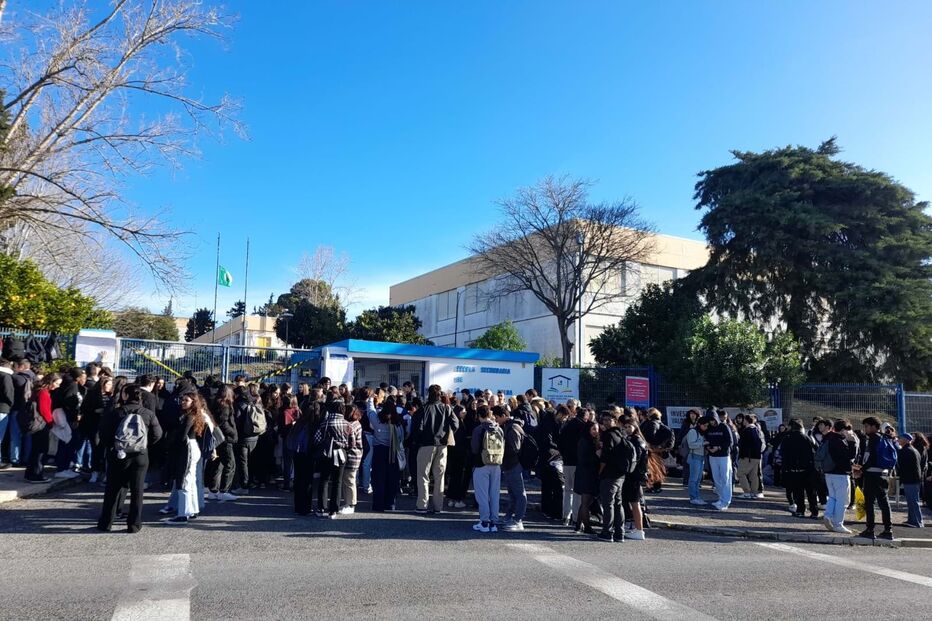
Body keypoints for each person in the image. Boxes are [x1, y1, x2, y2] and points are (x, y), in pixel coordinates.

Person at [97, 384, 163, 533]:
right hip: (140, 455)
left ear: (125, 395)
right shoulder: (148, 413)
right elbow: (157, 434)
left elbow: (103, 433)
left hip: (118, 454)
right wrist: (144, 444)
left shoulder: (116, 413)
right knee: (137, 491)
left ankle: (106, 523)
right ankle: (134, 524)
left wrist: (113, 446)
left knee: (113, 490)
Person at [162, 388, 208, 525]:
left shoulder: (189, 417)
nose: (183, 402)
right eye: (182, 400)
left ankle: (183, 514)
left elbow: (182, 436)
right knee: (190, 480)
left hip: (187, 448)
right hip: (192, 447)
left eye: (186, 400)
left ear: (193, 402)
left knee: (184, 481)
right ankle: (192, 510)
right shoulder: (195, 415)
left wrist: (172, 441)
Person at [412, 384, 459, 514]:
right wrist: (446, 434)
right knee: (440, 476)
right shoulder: (446, 408)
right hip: (442, 445)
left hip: (426, 445)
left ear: (429, 394)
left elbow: (417, 428)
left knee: (423, 475)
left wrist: (418, 440)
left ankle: (422, 505)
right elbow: (455, 424)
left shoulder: (423, 409)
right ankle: (438, 506)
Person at [853, 417, 895, 540]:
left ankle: (870, 529)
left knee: (870, 502)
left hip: (872, 474)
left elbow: (871, 458)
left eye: (866, 426)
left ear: (873, 427)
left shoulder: (873, 438)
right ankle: (888, 530)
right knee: (884, 503)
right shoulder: (884, 437)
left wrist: (862, 469)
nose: (865, 429)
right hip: (882, 474)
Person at [313, 398, 351, 518]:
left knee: (324, 480)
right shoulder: (347, 424)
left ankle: (321, 508)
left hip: (326, 454)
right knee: (337, 482)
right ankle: (333, 510)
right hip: (341, 454)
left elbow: (317, 439)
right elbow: (352, 443)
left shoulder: (325, 423)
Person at [598, 411, 632, 543]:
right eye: (604, 419)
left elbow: (605, 457)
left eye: (609, 419)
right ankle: (620, 533)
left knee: (608, 504)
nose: (606, 422)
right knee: (618, 504)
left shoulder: (608, 435)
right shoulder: (621, 434)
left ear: (615, 421)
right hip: (620, 474)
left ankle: (607, 532)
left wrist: (600, 471)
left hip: (609, 474)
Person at [493, 406, 526, 532]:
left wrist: (501, 449)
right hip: (509, 464)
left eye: (497, 418)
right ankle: (509, 517)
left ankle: (518, 520)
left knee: (519, 493)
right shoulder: (509, 426)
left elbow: (515, 449)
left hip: (513, 464)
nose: (496, 421)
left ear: (503, 415)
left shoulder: (512, 428)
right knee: (512, 494)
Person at [470, 404, 503, 533]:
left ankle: (484, 522)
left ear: (479, 416)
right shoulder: (498, 429)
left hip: (481, 464)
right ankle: (494, 523)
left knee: (482, 495)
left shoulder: (479, 429)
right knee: (494, 494)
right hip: (496, 463)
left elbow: (474, 449)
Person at [369, 395, 405, 512]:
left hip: (379, 451)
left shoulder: (377, 421)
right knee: (392, 479)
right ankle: (390, 504)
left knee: (378, 479)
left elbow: (371, 412)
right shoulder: (398, 424)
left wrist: (370, 400)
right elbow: (401, 438)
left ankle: (378, 505)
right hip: (393, 452)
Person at [822, 419, 857, 533]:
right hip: (841, 474)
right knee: (842, 501)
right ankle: (838, 524)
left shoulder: (828, 438)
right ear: (843, 430)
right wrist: (852, 442)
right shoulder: (840, 441)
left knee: (832, 497)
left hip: (829, 472)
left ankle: (828, 515)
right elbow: (850, 455)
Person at [25, 373, 61, 482]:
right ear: (51, 381)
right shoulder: (44, 393)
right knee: (41, 450)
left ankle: (30, 474)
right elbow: (44, 410)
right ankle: (37, 474)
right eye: (56, 383)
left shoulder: (39, 390)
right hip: (41, 425)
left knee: (35, 450)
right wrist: (51, 422)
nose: (57, 386)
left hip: (37, 424)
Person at [79, 376, 114, 483]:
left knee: (105, 451)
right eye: (107, 384)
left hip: (107, 426)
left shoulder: (111, 396)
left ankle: (104, 472)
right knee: (96, 449)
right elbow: (84, 408)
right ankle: (95, 471)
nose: (110, 386)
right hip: (94, 425)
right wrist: (95, 411)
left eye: (111, 384)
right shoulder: (92, 395)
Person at [781, 418, 819, 518]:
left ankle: (800, 510)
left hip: (794, 469)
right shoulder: (807, 438)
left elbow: (784, 454)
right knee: (811, 492)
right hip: (808, 469)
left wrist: (785, 469)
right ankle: (814, 511)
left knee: (798, 492)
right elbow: (815, 451)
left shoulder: (787, 438)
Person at [206, 385, 238, 501]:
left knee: (217, 464)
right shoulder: (225, 405)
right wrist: (233, 433)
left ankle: (213, 490)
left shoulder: (215, 403)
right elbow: (223, 423)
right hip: (226, 438)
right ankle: (224, 490)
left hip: (217, 438)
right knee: (230, 464)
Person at [231, 384, 263, 495]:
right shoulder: (253, 402)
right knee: (252, 460)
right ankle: (252, 481)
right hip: (255, 435)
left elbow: (237, 422)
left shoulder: (239, 405)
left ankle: (244, 485)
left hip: (243, 437)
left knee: (243, 462)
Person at [558, 404, 586, 525]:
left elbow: (560, 442)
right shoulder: (583, 427)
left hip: (566, 461)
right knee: (577, 492)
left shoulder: (567, 425)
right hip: (578, 462)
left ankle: (566, 516)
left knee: (567, 490)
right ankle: (576, 517)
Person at [573, 420, 600, 535]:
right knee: (585, 501)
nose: (596, 432)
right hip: (586, 474)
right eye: (594, 429)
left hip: (587, 474)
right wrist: (596, 454)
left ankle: (579, 525)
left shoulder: (591, 440)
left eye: (597, 429)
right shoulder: (585, 441)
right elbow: (584, 459)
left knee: (586, 501)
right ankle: (587, 526)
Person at [702, 414, 733, 511]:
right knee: (716, 478)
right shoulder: (709, 428)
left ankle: (726, 501)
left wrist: (719, 448)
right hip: (712, 456)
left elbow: (729, 441)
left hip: (723, 456)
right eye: (710, 421)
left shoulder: (724, 426)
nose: (712, 422)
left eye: (713, 420)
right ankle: (721, 498)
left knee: (725, 478)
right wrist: (709, 448)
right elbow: (706, 440)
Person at [339, 404, 363, 515]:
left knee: (349, 479)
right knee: (348, 479)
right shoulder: (357, 424)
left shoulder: (351, 426)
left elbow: (350, 443)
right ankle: (348, 502)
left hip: (352, 455)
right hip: (356, 455)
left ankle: (351, 504)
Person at [897, 433, 924, 528]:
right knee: (912, 500)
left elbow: (903, 466)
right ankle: (913, 520)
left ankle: (916, 521)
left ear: (906, 440)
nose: (898, 439)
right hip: (914, 478)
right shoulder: (913, 450)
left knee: (913, 501)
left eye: (900, 438)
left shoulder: (906, 451)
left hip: (910, 479)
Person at [736, 414, 766, 499]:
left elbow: (743, 445)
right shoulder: (758, 430)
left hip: (748, 456)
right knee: (754, 475)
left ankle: (746, 492)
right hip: (757, 456)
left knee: (740, 473)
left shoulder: (747, 431)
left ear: (746, 420)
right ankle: (754, 492)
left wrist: (742, 454)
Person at [685, 411, 707, 505]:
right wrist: (702, 443)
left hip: (701, 457)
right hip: (694, 457)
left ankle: (697, 496)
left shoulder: (702, 433)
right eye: (704, 425)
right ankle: (693, 497)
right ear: (699, 424)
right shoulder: (693, 431)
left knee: (698, 479)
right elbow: (691, 445)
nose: (706, 427)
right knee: (693, 479)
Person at [279, 394, 300, 491]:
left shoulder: (285, 412)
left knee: (287, 463)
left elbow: (282, 429)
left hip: (287, 439)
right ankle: (297, 484)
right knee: (297, 463)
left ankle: (286, 484)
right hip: (298, 440)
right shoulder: (298, 411)